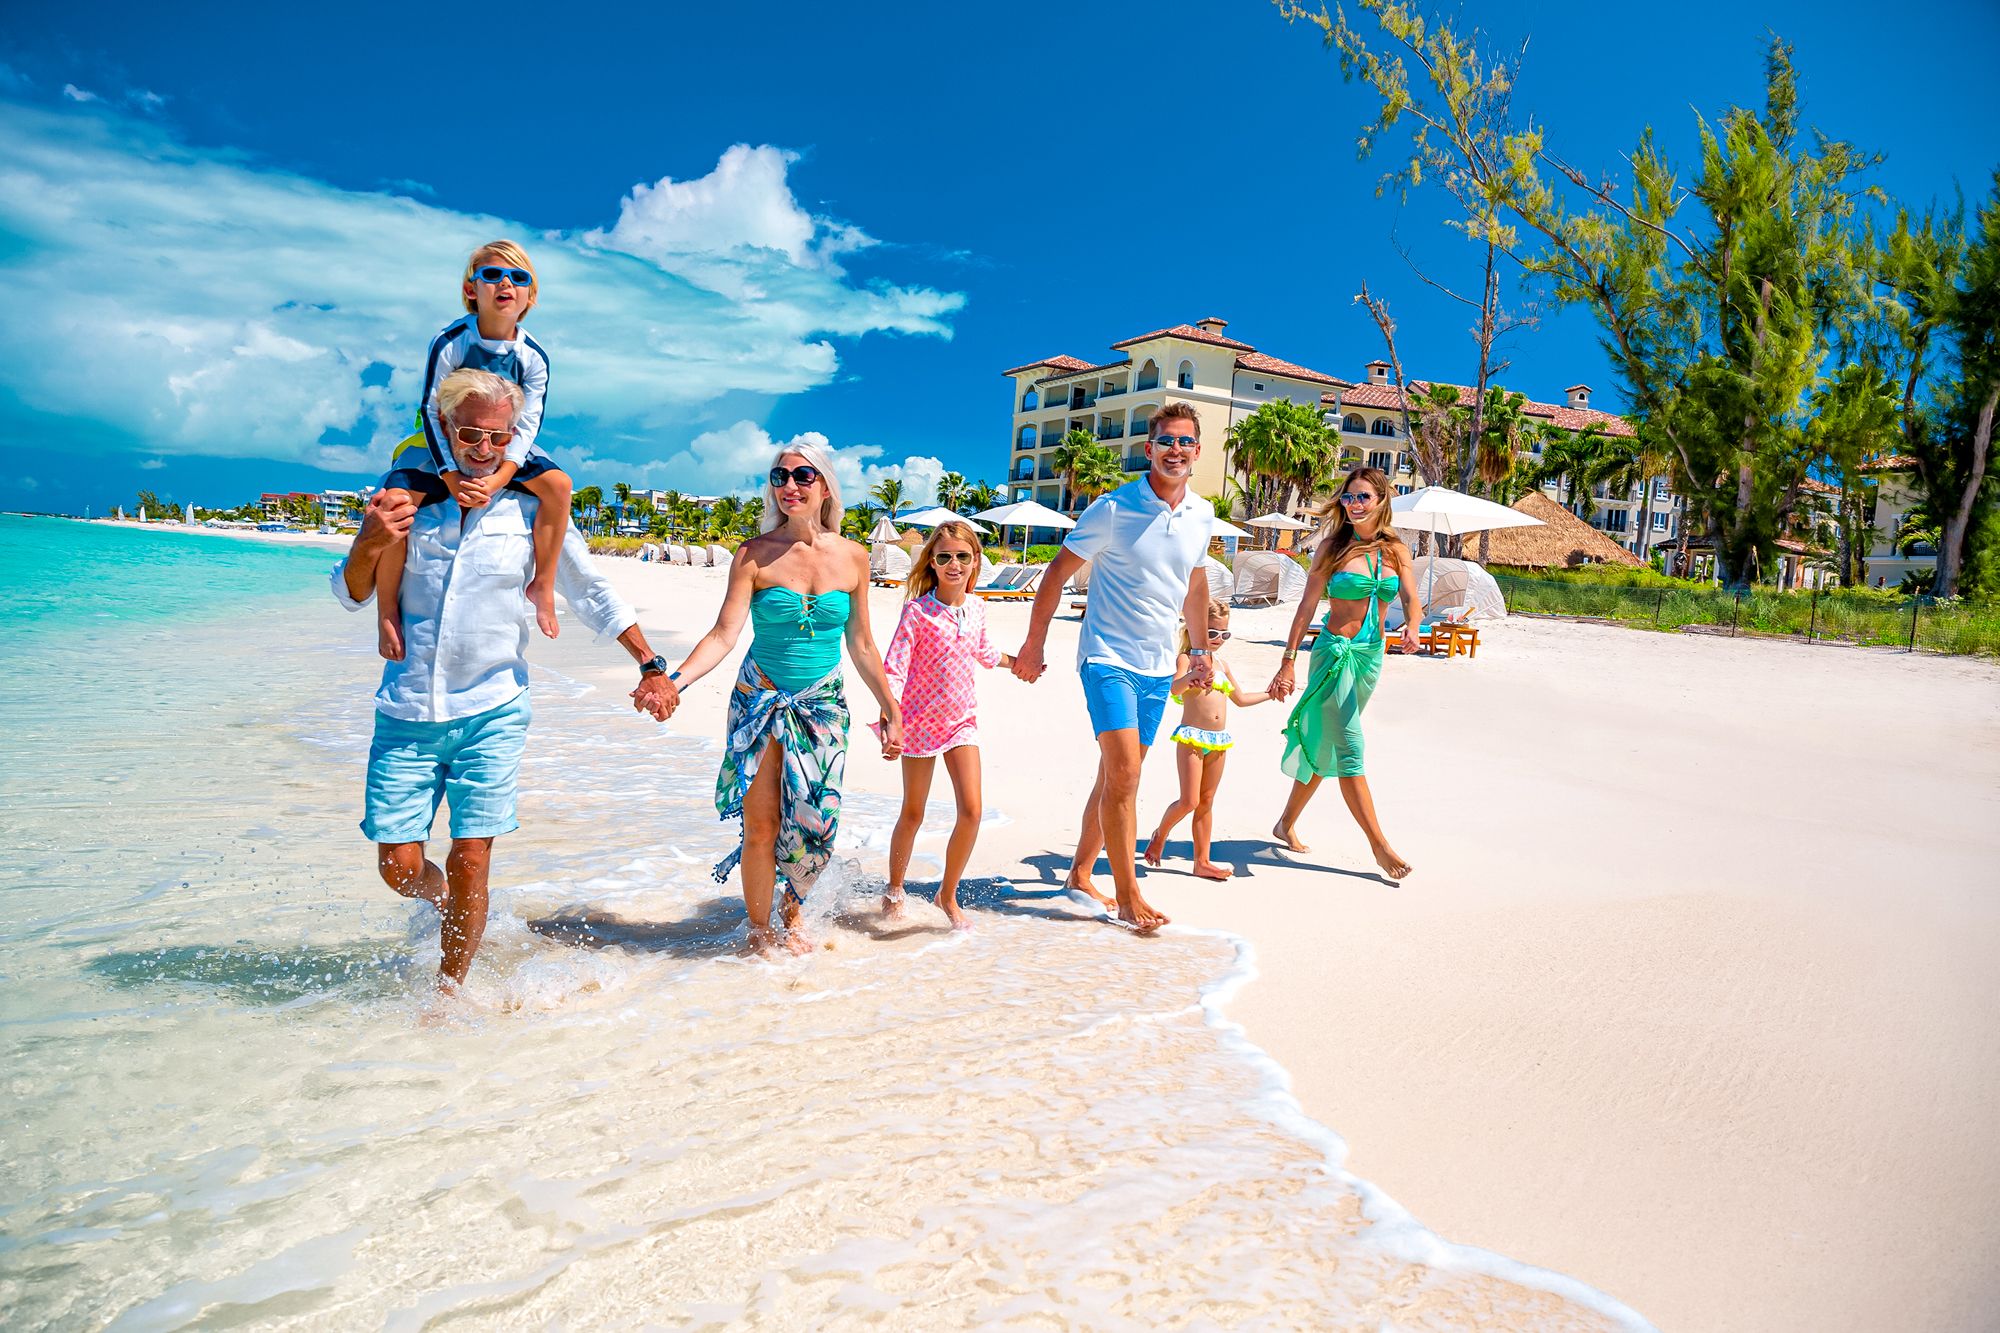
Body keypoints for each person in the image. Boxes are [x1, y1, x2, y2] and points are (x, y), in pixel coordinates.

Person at [331, 368, 677, 989]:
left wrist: (650, 663)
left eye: (498, 436)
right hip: (406, 713)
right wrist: (368, 539)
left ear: (513, 435)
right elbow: (350, 592)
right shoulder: (406, 501)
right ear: (444, 428)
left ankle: (449, 992)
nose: (483, 448)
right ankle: (442, 911)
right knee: (400, 868)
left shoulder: (532, 510)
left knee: (471, 857)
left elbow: (588, 590)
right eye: (470, 433)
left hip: (494, 710)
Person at [661, 443, 904, 957]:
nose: (789, 485)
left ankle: (791, 911)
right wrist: (675, 680)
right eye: (779, 476)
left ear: (824, 486)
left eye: (802, 475)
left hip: (823, 707)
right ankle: (759, 929)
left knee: (815, 824)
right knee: (763, 824)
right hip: (759, 701)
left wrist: (890, 707)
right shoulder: (753, 554)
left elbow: (861, 643)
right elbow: (724, 634)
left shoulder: (853, 555)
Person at [1013, 400, 1215, 931]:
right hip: (1106, 656)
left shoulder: (1202, 514)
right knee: (1126, 774)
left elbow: (1194, 584)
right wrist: (1034, 645)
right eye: (1166, 441)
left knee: (1116, 776)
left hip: (1157, 664)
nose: (1176, 450)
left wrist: (1200, 649)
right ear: (1149, 449)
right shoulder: (1113, 508)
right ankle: (1128, 896)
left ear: (1197, 450)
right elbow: (1055, 574)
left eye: (1185, 441)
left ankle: (1080, 872)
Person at [374, 240, 575, 661]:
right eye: (492, 275)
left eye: (519, 278)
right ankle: (387, 609)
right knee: (396, 500)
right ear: (471, 289)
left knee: (559, 486)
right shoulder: (451, 341)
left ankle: (543, 583)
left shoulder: (533, 357)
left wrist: (501, 477)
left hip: (504, 441)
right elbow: (430, 410)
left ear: (529, 296)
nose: (506, 283)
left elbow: (529, 423)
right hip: (437, 438)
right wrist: (449, 475)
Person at [1265, 465, 1419, 880]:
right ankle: (1380, 846)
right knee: (1349, 746)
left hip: (1371, 656)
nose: (1353, 504)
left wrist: (1415, 625)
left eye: (1363, 497)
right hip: (1334, 653)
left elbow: (1410, 597)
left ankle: (1284, 824)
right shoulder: (1332, 547)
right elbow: (1307, 606)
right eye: (1349, 497)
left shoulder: (1397, 550)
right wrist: (1288, 659)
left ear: (1382, 500)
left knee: (1327, 744)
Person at [880, 520, 1015, 929]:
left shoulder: (977, 607)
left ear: (975, 561)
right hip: (918, 723)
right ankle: (895, 888)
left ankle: (947, 894)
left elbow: (986, 653)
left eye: (962, 556)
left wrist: (1019, 663)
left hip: (961, 722)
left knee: (972, 811)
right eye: (944, 557)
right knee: (913, 812)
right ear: (933, 564)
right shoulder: (917, 611)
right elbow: (894, 669)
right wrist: (891, 720)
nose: (954, 564)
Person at [1143, 599, 1270, 880]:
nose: (1218, 640)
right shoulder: (1186, 659)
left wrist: (1271, 692)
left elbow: (1241, 699)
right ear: (1196, 628)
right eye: (1212, 633)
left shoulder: (1223, 664)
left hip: (1219, 740)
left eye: (1224, 634)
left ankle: (1202, 861)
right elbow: (1173, 690)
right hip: (1191, 738)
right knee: (1188, 801)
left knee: (1207, 801)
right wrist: (1191, 677)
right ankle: (1161, 833)